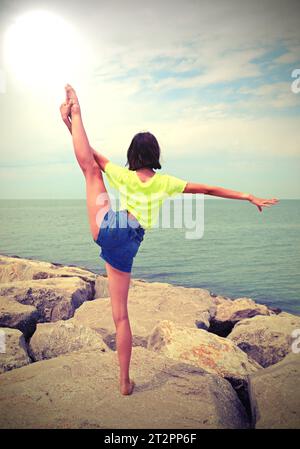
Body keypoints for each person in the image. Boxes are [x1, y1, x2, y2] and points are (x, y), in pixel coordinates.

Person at [60, 84, 279, 395]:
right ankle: (124, 382)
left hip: (104, 227)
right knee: (120, 316)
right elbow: (208, 190)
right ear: (156, 156)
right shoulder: (165, 182)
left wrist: (70, 123)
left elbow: (90, 155)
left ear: (132, 156)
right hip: (126, 243)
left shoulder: (123, 175)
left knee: (91, 172)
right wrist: (247, 195)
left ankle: (77, 111)